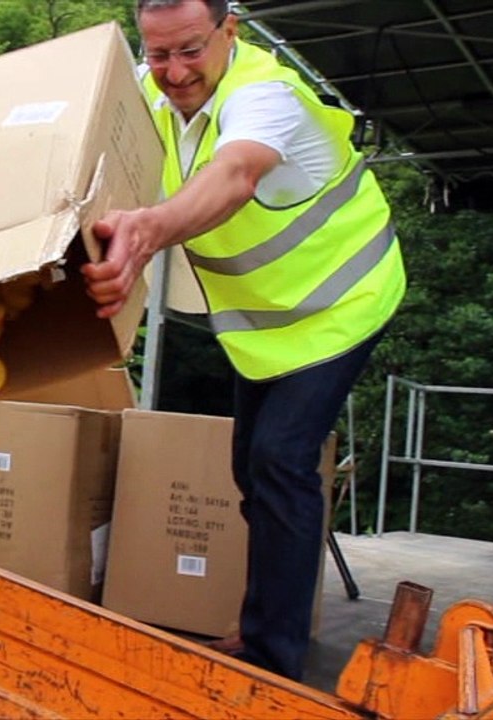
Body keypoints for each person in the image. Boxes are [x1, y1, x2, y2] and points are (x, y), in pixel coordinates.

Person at [82, 0, 405, 681]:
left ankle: (273, 660)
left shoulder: (267, 95)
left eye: (190, 50)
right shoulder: (148, 93)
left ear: (229, 30)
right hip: (267, 324)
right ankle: (265, 623)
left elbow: (234, 176)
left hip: (345, 299)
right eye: (158, 54)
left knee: (281, 461)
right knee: (251, 471)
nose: (174, 72)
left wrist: (147, 231)